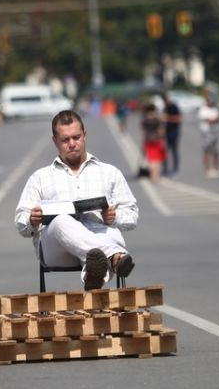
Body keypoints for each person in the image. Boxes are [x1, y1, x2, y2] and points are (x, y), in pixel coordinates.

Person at [15, 110, 139, 290]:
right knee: (61, 221)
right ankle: (114, 258)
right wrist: (31, 221)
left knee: (112, 233)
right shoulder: (40, 177)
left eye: (76, 137)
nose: (72, 144)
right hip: (58, 248)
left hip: (100, 235)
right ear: (55, 141)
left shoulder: (109, 172)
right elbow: (21, 224)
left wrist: (115, 217)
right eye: (65, 140)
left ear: (85, 135)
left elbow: (132, 215)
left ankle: (93, 273)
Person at [197, 93, 219, 178]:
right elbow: (209, 120)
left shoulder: (215, 109)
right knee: (206, 151)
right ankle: (208, 169)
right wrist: (215, 119)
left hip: (215, 132)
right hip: (207, 133)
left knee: (217, 151)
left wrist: (216, 119)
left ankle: (217, 168)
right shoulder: (203, 110)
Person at [140, 102, 165, 183]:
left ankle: (152, 175)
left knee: (150, 159)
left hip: (148, 139)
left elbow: (143, 131)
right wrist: (162, 139)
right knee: (156, 159)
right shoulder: (157, 119)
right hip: (156, 139)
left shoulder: (145, 119)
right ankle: (156, 175)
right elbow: (160, 131)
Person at [161, 92, 182, 177]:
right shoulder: (165, 108)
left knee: (174, 150)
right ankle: (165, 169)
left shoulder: (174, 107)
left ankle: (175, 168)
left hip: (174, 131)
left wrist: (167, 118)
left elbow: (178, 119)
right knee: (165, 151)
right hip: (166, 132)